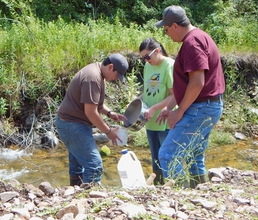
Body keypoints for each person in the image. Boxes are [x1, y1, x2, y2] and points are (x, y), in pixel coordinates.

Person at [155, 5, 225, 188]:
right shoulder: (199, 37)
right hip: (208, 105)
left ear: (175, 26)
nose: (167, 34)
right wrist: (169, 107)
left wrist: (179, 112)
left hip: (201, 107)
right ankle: (198, 196)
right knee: (194, 156)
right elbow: (187, 85)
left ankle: (180, 196)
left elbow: (197, 83)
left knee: (168, 155)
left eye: (166, 29)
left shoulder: (192, 43)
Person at [55, 53, 129, 187]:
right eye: (117, 75)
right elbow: (90, 112)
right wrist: (108, 131)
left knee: (77, 166)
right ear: (111, 67)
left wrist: (109, 113)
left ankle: (75, 195)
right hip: (72, 125)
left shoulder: (97, 71)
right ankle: (91, 200)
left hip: (70, 123)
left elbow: (94, 104)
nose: (116, 79)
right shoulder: (93, 78)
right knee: (94, 165)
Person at [137, 38, 174, 185]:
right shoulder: (148, 66)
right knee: (155, 159)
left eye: (147, 56)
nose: (146, 60)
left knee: (166, 158)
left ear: (157, 51)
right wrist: (135, 102)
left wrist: (154, 108)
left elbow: (174, 95)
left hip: (164, 119)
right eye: (143, 58)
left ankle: (172, 188)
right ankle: (159, 189)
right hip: (150, 120)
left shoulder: (169, 65)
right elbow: (147, 92)